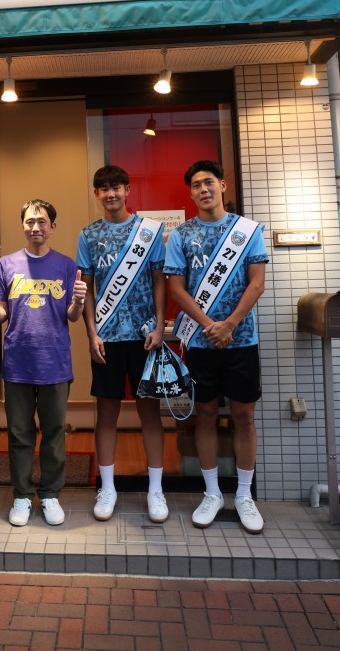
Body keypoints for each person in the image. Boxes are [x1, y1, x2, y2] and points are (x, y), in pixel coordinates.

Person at [164, 160, 268, 534]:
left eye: (208, 182)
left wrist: (230, 325)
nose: (203, 189)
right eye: (196, 185)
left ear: (222, 185)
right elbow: (177, 289)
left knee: (244, 417)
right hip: (200, 341)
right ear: (191, 193)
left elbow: (257, 283)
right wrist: (211, 326)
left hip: (242, 340)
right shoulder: (180, 235)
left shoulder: (247, 230)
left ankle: (243, 495)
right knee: (204, 414)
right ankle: (211, 494)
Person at [0, 199, 87, 526]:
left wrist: (79, 301)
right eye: (29, 221)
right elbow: (2, 314)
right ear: (22, 226)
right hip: (18, 363)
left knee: (54, 434)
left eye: (41, 222)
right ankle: (22, 496)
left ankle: (50, 494)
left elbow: (72, 316)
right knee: (19, 434)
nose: (35, 227)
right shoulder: (6, 264)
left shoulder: (66, 265)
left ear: (52, 227)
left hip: (55, 363)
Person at [77, 165, 167, 523]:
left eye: (116, 187)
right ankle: (108, 488)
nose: (110, 193)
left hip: (145, 337)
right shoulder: (88, 235)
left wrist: (159, 326)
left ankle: (156, 489)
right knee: (106, 414)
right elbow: (86, 289)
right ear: (96, 194)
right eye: (103, 188)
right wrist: (92, 333)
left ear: (128, 190)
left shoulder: (149, 231)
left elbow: (159, 281)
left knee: (150, 413)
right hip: (107, 339)